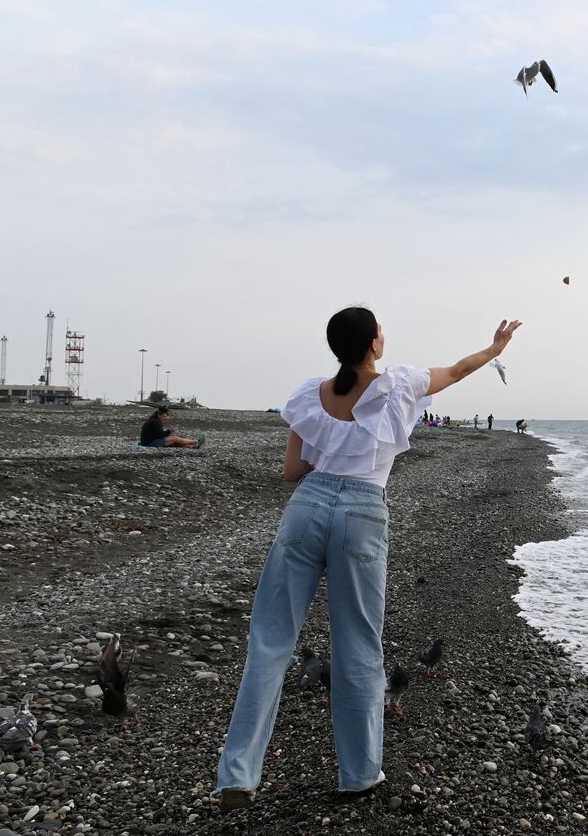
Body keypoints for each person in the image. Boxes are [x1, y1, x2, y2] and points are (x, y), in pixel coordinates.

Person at [214, 306, 520, 809]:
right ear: (374, 344)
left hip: (306, 507)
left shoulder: (310, 394)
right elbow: (459, 369)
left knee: (270, 640)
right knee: (358, 645)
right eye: (381, 332)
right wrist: (495, 349)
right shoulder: (400, 385)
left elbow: (293, 470)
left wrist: (330, 452)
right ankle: (358, 775)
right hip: (362, 510)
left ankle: (237, 777)